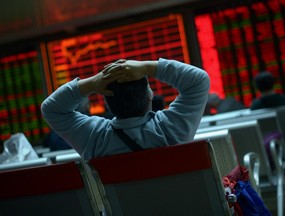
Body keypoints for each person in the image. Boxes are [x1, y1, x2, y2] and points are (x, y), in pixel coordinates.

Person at [41, 58, 210, 159]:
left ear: (107, 104)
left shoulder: (95, 139)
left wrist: (92, 83)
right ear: (149, 96)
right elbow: (199, 80)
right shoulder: (170, 129)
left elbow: (51, 109)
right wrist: (147, 67)